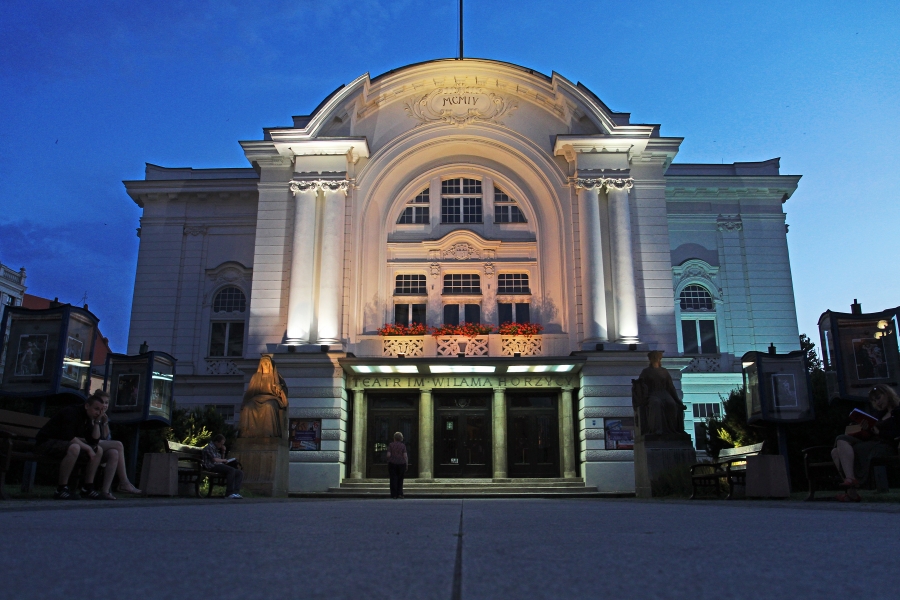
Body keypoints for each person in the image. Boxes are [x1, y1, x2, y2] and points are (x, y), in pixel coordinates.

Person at [831, 384, 900, 502]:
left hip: (886, 446)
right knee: (836, 449)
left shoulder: (898, 411)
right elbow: (871, 434)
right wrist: (866, 428)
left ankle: (851, 488)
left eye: (878, 398)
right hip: (872, 443)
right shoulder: (879, 414)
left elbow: (895, 433)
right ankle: (851, 483)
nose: (877, 402)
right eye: (874, 400)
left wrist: (879, 432)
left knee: (843, 447)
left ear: (887, 394)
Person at [35, 394, 106, 500]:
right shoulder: (71, 412)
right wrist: (87, 449)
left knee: (98, 450)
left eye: (101, 410)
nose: (98, 413)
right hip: (46, 443)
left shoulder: (88, 418)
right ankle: (61, 489)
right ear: (87, 406)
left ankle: (87, 488)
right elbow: (68, 436)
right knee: (75, 447)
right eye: (96, 409)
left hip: (63, 444)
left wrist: (97, 422)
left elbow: (94, 440)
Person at [94, 390, 142, 499]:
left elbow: (106, 438)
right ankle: (124, 482)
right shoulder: (93, 413)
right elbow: (94, 438)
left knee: (114, 453)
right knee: (118, 445)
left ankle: (105, 491)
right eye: (102, 402)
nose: (105, 405)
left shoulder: (104, 417)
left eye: (107, 403)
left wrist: (105, 423)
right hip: (90, 443)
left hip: (100, 446)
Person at [636, 350, 687, 435]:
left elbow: (670, 387)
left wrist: (677, 400)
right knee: (656, 403)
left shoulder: (664, 371)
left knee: (672, 404)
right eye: (654, 357)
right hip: (652, 394)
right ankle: (657, 429)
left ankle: (672, 430)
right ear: (650, 359)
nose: (655, 359)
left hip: (664, 393)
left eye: (657, 358)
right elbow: (641, 385)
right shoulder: (646, 371)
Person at [240, 356, 289, 438]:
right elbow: (250, 392)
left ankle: (269, 433)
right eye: (263, 363)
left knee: (268, 406)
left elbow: (284, 391)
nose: (265, 365)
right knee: (248, 407)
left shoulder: (276, 376)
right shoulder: (256, 377)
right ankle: (247, 433)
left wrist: (280, 389)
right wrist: (244, 403)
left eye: (267, 363)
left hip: (272, 398)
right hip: (257, 398)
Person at [202, 434, 244, 499]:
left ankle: (235, 492)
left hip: (218, 465)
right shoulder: (209, 447)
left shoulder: (216, 448)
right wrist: (224, 460)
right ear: (216, 442)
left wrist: (223, 452)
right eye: (221, 444)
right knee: (231, 470)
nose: (222, 446)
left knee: (239, 473)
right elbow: (215, 459)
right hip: (211, 466)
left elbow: (221, 459)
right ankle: (229, 493)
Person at [386, 432, 408, 499]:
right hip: (401, 464)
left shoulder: (391, 445)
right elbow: (405, 456)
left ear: (394, 438)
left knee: (393, 479)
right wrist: (406, 464)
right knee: (400, 479)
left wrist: (390, 459)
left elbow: (388, 455)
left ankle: (394, 495)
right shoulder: (403, 446)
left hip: (392, 463)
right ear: (401, 438)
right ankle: (400, 494)